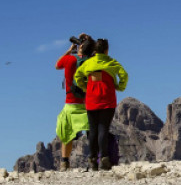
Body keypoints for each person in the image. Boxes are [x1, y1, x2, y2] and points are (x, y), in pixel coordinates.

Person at [74, 38, 129, 171]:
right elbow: (124, 75)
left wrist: (85, 87)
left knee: (92, 130)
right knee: (103, 128)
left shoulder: (89, 63)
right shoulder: (111, 62)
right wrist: (119, 86)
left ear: (95, 50)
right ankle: (104, 157)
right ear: (106, 50)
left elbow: (77, 76)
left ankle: (92, 159)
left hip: (91, 98)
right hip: (107, 98)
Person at [55, 35, 93, 171]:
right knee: (92, 132)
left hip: (71, 102)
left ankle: (65, 162)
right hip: (87, 102)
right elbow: (100, 53)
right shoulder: (91, 60)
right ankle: (94, 160)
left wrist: (70, 50)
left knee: (67, 134)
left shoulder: (70, 59)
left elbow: (57, 65)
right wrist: (89, 40)